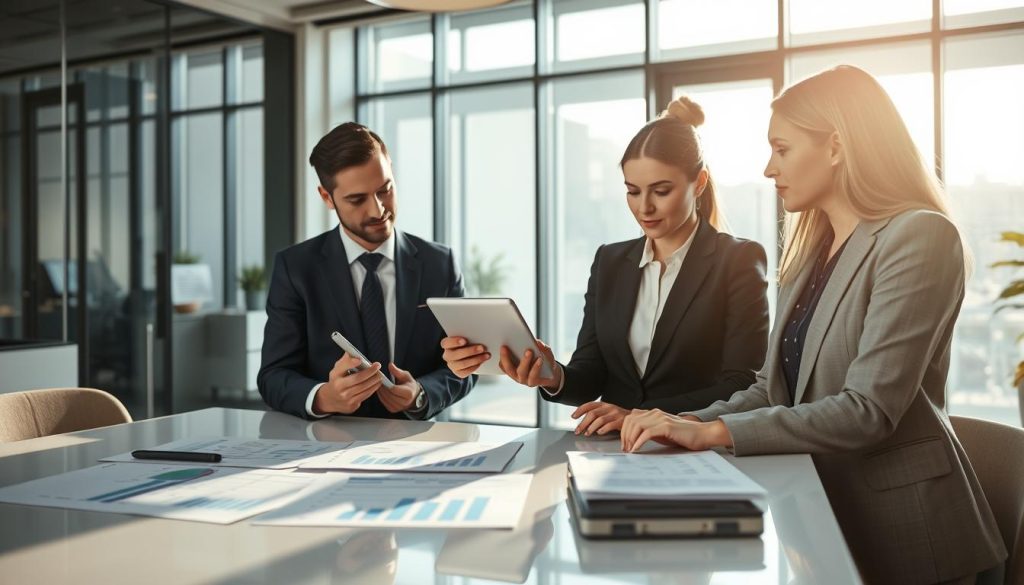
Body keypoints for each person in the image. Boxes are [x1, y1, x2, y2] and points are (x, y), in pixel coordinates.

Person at [619, 66, 1006, 585]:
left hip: (910, 537)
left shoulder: (919, 237)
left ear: (836, 147)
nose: (767, 168)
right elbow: (773, 389)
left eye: (781, 149)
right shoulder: (811, 251)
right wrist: (678, 425)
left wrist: (711, 432)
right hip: (819, 512)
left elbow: (867, 410)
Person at [441, 97, 770, 435]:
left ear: (698, 183)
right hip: (614, 449)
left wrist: (636, 415)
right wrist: (553, 374)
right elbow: (592, 373)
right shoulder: (610, 262)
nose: (645, 207)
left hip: (698, 449)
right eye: (632, 191)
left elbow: (742, 384)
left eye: (661, 191)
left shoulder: (738, 260)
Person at [257, 122, 475, 420]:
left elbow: (465, 366)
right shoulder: (296, 268)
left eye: (385, 190)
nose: (378, 210)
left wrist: (421, 393)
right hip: (322, 448)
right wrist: (324, 397)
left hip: (417, 446)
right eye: (357, 200)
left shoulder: (440, 264)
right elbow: (273, 376)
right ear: (326, 197)